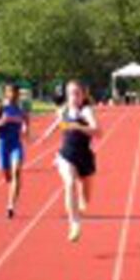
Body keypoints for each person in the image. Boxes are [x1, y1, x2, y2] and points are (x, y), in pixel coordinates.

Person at [42, 80, 100, 242]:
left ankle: (78, 211)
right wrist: (47, 134)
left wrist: (79, 127)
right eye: (70, 94)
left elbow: (98, 132)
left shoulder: (86, 111)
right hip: (66, 155)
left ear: (83, 95)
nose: (73, 97)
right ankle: (74, 223)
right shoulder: (64, 109)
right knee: (70, 183)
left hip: (85, 157)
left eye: (77, 93)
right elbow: (59, 122)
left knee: (86, 200)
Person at [0, 84, 29, 219]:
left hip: (16, 144)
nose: (14, 95)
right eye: (10, 92)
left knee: (16, 172)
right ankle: (13, 189)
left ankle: (10, 205)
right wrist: (0, 123)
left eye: (16, 92)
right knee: (8, 177)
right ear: (6, 93)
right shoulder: (1, 108)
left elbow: (26, 122)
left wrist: (26, 129)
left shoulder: (20, 109)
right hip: (3, 144)